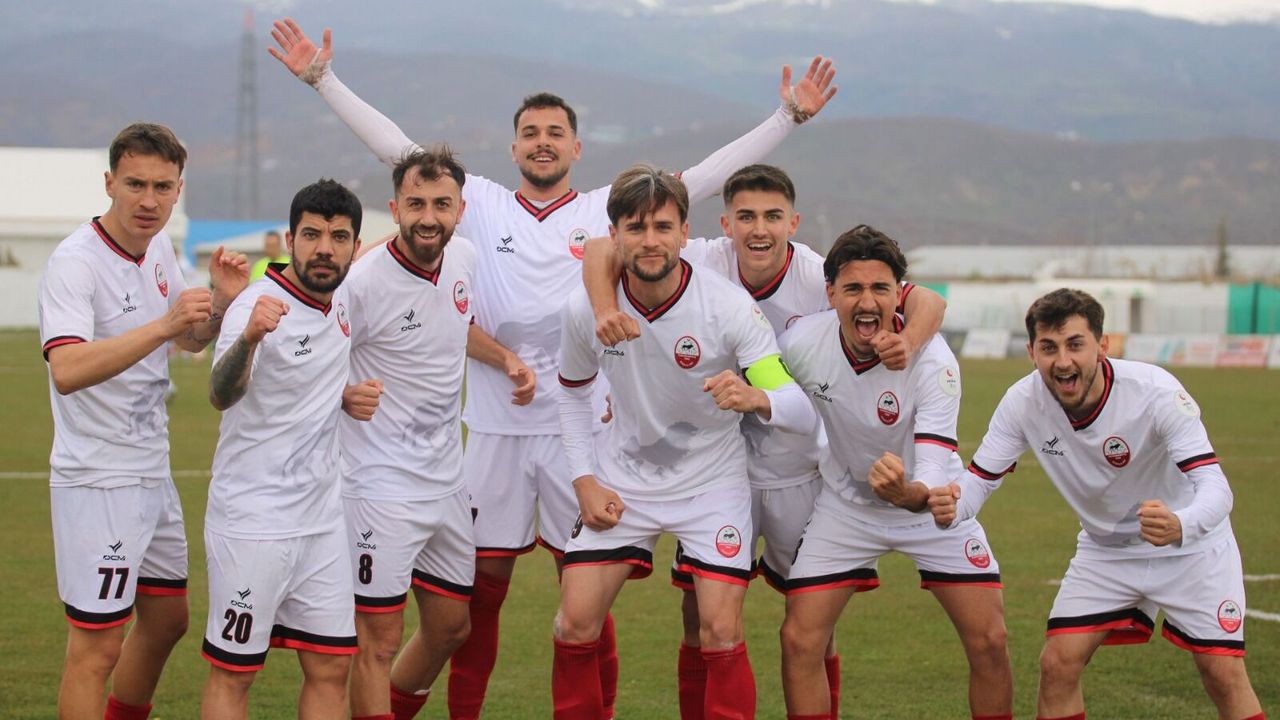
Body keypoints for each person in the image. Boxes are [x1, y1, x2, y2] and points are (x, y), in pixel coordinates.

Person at [268, 17, 837, 718]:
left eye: (555, 132)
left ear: (576, 147)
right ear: (514, 148)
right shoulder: (479, 204)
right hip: (495, 430)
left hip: (588, 437)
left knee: (586, 599)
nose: (543, 142)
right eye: (530, 133)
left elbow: (702, 179)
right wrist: (324, 80)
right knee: (478, 595)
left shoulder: (610, 210)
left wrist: (786, 118)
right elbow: (403, 154)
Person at [582, 164, 947, 717]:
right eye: (746, 216)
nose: (759, 229)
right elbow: (600, 250)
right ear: (724, 223)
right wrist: (606, 311)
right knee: (699, 615)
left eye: (772, 216)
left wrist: (908, 342)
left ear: (792, 223)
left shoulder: (818, 274)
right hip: (711, 470)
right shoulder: (701, 258)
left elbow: (927, 301)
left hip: (796, 469)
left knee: (812, 624)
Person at [554, 165, 818, 719]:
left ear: (684, 233)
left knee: (719, 630)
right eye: (636, 228)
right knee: (574, 623)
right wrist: (583, 479)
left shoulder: (728, 307)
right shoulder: (586, 310)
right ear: (615, 235)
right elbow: (573, 394)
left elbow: (796, 406)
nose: (650, 240)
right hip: (623, 479)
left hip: (710, 486)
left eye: (662, 227)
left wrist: (757, 397)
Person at [927, 288, 1265, 720]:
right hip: (1106, 551)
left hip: (1191, 547)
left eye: (1075, 345)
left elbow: (1217, 488)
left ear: (1103, 345)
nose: (1062, 361)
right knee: (1057, 664)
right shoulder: (1022, 402)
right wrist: (951, 505)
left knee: (1222, 673)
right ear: (1031, 352)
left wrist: (1181, 524)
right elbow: (977, 482)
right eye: (1049, 348)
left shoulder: (1155, 391)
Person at [38, 122, 248, 720]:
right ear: (110, 183)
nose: (149, 200)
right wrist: (162, 326)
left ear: (179, 188)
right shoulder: (75, 263)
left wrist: (221, 302)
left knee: (167, 619)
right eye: (135, 184)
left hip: (150, 469)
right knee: (96, 647)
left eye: (162, 186)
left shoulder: (157, 248)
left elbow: (190, 339)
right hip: (97, 479)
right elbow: (67, 369)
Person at [776, 226, 1012, 720]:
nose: (867, 302)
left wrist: (909, 494)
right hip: (846, 507)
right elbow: (760, 382)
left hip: (930, 509)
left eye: (880, 288)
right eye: (853, 288)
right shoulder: (800, 343)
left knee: (990, 640)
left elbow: (932, 471)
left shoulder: (934, 362)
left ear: (899, 294)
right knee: (799, 640)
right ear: (830, 294)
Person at [339, 146, 535, 720]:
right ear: (395, 208)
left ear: (460, 210)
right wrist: (343, 395)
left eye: (441, 205)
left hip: (447, 483)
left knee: (451, 627)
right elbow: (318, 358)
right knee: (377, 642)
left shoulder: (464, 258)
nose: (429, 217)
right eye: (417, 204)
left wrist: (505, 359)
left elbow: (455, 326)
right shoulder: (362, 282)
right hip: (378, 488)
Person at [201, 179, 371, 720]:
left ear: (353, 245)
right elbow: (220, 394)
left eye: (338, 238)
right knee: (235, 672)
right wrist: (249, 339)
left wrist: (342, 396)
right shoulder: (255, 306)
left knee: (331, 666)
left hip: (322, 523)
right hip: (253, 521)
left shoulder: (343, 298)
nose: (325, 249)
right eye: (312, 235)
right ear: (291, 239)